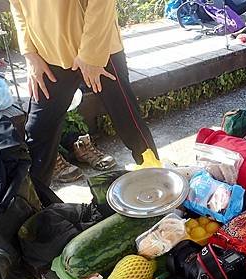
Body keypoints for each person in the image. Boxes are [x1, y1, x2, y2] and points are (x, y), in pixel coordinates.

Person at [9, 0, 159, 185]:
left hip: (99, 50)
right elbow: (16, 5)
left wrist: (91, 55)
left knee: (128, 122)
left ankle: (159, 183)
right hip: (46, 56)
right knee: (38, 131)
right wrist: (29, 53)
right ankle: (33, 202)